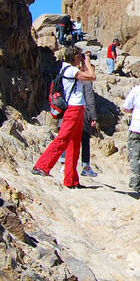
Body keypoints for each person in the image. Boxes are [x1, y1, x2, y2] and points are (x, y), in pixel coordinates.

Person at [31, 49, 96, 188]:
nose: (80, 60)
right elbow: (91, 76)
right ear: (75, 57)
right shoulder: (70, 70)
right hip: (73, 110)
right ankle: (41, 166)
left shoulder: (68, 68)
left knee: (74, 144)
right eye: (79, 57)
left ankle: (71, 180)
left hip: (78, 109)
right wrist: (88, 62)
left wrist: (84, 63)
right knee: (62, 139)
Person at [79, 76, 100, 179]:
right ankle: (85, 167)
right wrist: (93, 117)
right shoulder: (86, 82)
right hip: (83, 115)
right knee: (85, 141)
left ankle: (65, 164)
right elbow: (90, 100)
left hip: (69, 113)